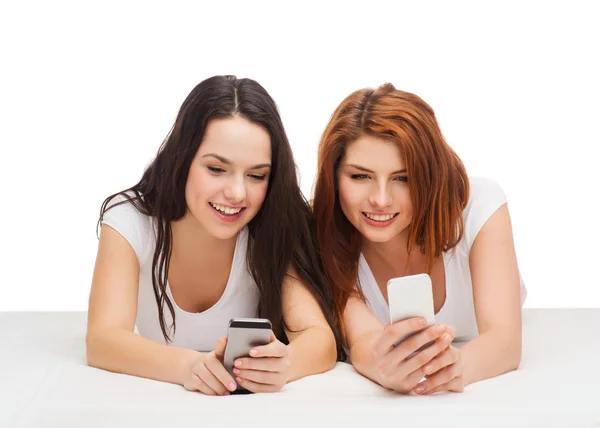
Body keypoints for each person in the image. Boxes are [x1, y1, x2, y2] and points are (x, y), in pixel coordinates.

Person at [86, 75, 344, 396]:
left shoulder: (273, 225)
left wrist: (286, 364)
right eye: (216, 169)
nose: (236, 193)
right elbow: (102, 339)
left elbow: (319, 338)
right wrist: (187, 366)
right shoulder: (130, 220)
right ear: (183, 160)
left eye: (256, 175)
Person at [312, 83, 527, 395]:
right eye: (360, 176)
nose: (381, 200)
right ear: (333, 177)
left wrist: (455, 369)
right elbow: (362, 340)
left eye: (403, 178)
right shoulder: (322, 235)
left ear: (429, 175)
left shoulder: (478, 206)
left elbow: (505, 341)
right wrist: (385, 369)